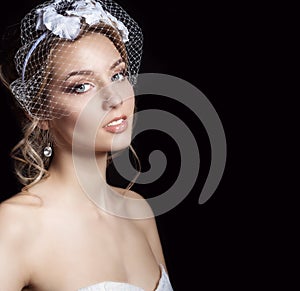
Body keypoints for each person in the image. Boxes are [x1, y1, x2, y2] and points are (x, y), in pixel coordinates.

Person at [0, 0, 174, 290]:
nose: (115, 99)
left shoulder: (137, 210)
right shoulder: (14, 226)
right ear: (40, 112)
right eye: (82, 86)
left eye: (117, 75)